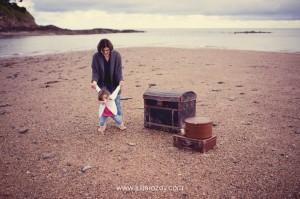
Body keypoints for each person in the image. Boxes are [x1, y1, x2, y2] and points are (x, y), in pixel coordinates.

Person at [91, 39, 126, 130]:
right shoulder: (96, 57)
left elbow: (118, 71)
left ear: (110, 48)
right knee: (104, 104)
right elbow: (95, 72)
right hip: (102, 86)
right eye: (103, 50)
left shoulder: (116, 55)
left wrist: (121, 80)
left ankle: (119, 122)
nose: (106, 52)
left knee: (117, 104)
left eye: (107, 50)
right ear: (100, 49)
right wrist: (94, 81)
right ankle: (103, 123)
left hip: (114, 84)